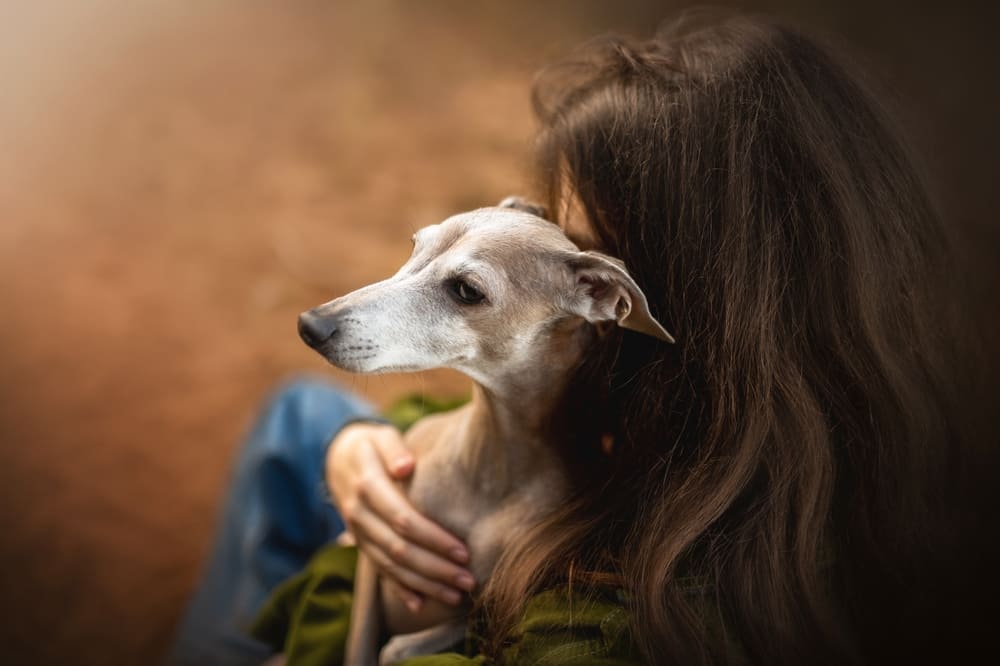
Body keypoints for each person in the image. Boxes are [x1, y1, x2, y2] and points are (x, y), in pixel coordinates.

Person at [169, 11, 969, 666]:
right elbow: (492, 418)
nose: (550, 239)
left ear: (617, 299)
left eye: (575, 245)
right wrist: (358, 455)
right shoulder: (675, 396)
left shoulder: (626, 603)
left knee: (295, 427)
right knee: (309, 414)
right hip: (455, 484)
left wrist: (365, 563)